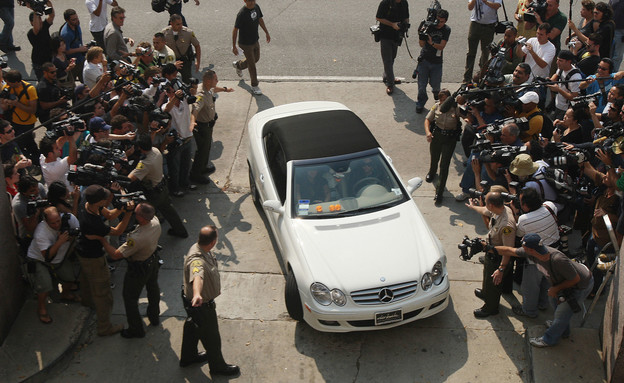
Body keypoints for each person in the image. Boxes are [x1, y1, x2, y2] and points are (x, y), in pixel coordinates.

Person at [492, 233, 593, 347]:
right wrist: (488, 248)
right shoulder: (533, 252)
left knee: (562, 313)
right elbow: (510, 250)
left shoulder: (557, 260)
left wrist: (555, 289)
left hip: (580, 285)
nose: (522, 249)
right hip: (564, 284)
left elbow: (575, 279)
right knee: (555, 305)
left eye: (524, 247)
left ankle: (548, 340)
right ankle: (563, 331)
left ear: (530, 249)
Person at [180, 225, 240, 375]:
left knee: (192, 327)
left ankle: (189, 357)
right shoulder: (197, 260)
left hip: (193, 304)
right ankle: (218, 367)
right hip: (201, 305)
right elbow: (197, 275)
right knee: (212, 337)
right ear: (213, 242)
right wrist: (197, 294)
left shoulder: (200, 248)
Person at [77, 184, 133, 336]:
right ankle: (104, 327)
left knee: (87, 282)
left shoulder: (86, 203)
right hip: (94, 258)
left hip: (82, 251)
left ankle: (88, 303)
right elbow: (117, 231)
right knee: (103, 292)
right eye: (105, 199)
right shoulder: (93, 223)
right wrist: (128, 213)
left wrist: (121, 208)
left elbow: (109, 215)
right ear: (99, 202)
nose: (108, 200)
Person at [99, 202, 162, 338]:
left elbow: (116, 255)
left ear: (141, 218)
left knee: (130, 298)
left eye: (136, 213)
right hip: (152, 260)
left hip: (139, 268)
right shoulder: (155, 221)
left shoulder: (137, 238)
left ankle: (136, 328)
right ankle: (154, 316)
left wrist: (103, 241)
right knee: (153, 287)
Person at [465, 192, 516, 318]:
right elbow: (485, 211)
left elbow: (508, 249)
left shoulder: (506, 225)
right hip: (490, 251)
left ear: (492, 205)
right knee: (487, 275)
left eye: (486, 202)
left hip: (499, 257)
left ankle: (491, 307)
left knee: (494, 283)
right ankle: (485, 292)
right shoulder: (500, 209)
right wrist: (473, 207)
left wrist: (501, 269)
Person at [27, 206, 81, 324]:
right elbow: (48, 256)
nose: (57, 225)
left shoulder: (69, 219)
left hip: (59, 258)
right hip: (39, 259)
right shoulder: (41, 232)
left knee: (70, 278)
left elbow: (79, 232)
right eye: (53, 223)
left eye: (58, 221)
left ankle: (65, 294)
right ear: (46, 221)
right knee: (45, 286)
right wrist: (60, 241)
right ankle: (41, 308)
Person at [128, 134, 188, 238]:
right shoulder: (155, 150)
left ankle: (142, 239)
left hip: (153, 193)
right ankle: (180, 231)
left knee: (142, 214)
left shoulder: (145, 163)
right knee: (169, 210)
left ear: (140, 148)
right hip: (163, 187)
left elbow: (130, 179)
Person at [190, 70, 233, 184]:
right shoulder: (201, 94)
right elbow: (195, 109)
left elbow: (215, 89)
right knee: (202, 151)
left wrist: (225, 89)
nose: (217, 81)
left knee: (207, 148)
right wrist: (192, 122)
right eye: (215, 79)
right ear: (208, 81)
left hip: (209, 125)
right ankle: (196, 174)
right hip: (202, 127)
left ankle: (203, 167)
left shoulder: (208, 88)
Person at [424, 89, 459, 204]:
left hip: (450, 138)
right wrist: (428, 132)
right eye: (441, 99)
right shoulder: (436, 106)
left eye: (445, 99)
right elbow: (427, 120)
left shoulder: (456, 108)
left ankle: (439, 192)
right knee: (434, 157)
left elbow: (465, 117)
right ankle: (432, 172)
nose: (443, 102)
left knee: (444, 165)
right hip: (437, 135)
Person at [0, 70, 40, 166]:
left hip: (26, 123)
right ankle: (36, 160)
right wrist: (5, 102)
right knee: (26, 143)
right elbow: (3, 107)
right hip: (12, 121)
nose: (7, 84)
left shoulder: (29, 89)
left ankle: (31, 162)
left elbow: (32, 110)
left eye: (9, 83)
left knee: (20, 144)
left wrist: (16, 104)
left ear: (17, 82)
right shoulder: (7, 88)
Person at [232, 0, 271, 96]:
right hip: (245, 44)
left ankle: (239, 65)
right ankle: (254, 85)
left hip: (255, 40)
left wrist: (266, 32)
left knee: (256, 59)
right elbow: (235, 29)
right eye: (249, 1)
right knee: (252, 65)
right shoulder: (242, 14)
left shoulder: (256, 7)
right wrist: (234, 46)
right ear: (245, 1)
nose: (252, 2)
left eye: (253, 0)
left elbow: (260, 19)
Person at [415, 9, 449, 113]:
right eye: (438, 20)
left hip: (437, 62)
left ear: (445, 21)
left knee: (435, 84)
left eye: (442, 21)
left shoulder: (446, 30)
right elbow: (421, 44)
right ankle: (420, 102)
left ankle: (436, 95)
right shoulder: (429, 26)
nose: (439, 23)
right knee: (421, 85)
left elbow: (442, 46)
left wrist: (431, 42)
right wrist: (422, 34)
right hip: (424, 59)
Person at [375, 0, 410, 96]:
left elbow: (406, 17)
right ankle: (390, 83)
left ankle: (387, 75)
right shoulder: (385, 3)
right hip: (385, 35)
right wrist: (392, 24)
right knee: (387, 60)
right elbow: (378, 17)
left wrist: (405, 25)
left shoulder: (404, 3)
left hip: (397, 35)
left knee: (392, 57)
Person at [463, 0, 502, 84]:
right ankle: (467, 78)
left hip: (489, 26)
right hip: (475, 24)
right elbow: (470, 7)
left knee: (485, 52)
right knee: (471, 52)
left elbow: (497, 6)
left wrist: (486, 2)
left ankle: (482, 76)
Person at [162, 14, 201, 83]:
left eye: (181, 23)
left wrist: (198, 62)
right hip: (171, 60)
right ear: (171, 23)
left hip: (184, 61)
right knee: (168, 80)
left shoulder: (188, 33)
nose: (180, 26)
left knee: (187, 81)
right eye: (177, 24)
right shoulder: (165, 33)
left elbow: (197, 46)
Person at [547, 50, 583, 121]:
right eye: (557, 60)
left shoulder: (575, 77)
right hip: (556, 104)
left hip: (565, 109)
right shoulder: (561, 68)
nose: (557, 62)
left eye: (560, 61)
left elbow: (574, 97)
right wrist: (549, 81)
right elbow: (557, 75)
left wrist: (558, 90)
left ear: (569, 61)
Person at [26, 3, 54, 80]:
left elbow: (52, 15)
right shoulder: (31, 33)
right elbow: (37, 28)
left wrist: (48, 2)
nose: (40, 21)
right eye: (38, 19)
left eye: (40, 19)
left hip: (49, 59)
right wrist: (35, 11)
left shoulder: (44, 26)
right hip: (39, 63)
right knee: (43, 82)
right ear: (32, 22)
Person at [60, 9, 88, 83]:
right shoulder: (66, 34)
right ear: (67, 20)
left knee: (86, 83)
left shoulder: (76, 25)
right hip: (73, 64)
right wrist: (80, 49)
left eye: (77, 18)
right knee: (71, 84)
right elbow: (65, 51)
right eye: (73, 20)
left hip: (81, 59)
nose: (76, 20)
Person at [611, 0, 624, 70]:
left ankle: (613, 75)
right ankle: (607, 73)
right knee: (610, 53)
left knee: (617, 56)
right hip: (611, 29)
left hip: (621, 31)